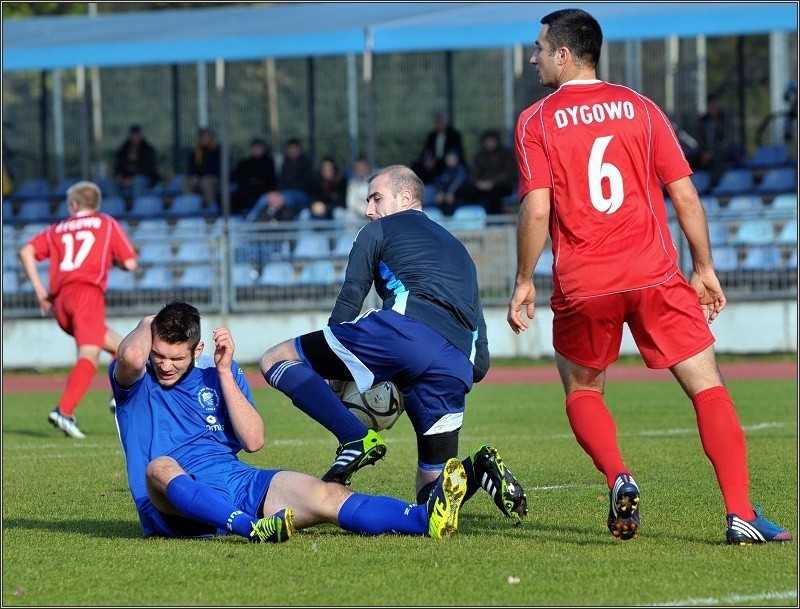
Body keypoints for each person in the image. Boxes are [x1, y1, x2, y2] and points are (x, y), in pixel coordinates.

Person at [508, 8, 792, 545]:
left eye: (540, 48)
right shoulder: (641, 108)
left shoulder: (536, 121)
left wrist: (524, 277)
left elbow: (537, 209)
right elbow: (685, 194)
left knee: (583, 389)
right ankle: (741, 514)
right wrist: (704, 268)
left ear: (564, 55)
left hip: (585, 281)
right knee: (708, 387)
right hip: (655, 275)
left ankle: (619, 474)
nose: (534, 57)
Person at [259, 164, 528, 524]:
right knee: (430, 494)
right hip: (456, 363)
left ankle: (353, 437)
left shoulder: (378, 230)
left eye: (375, 198)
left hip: (404, 334)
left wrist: (334, 371)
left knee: (276, 358)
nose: (369, 209)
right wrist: (460, 372)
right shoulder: (460, 251)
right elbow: (480, 351)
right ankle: (476, 469)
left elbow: (350, 297)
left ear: (404, 198)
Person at [110, 300, 468, 542]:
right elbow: (131, 354)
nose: (164, 365)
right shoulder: (135, 384)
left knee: (327, 494)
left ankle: (425, 519)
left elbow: (253, 441)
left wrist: (222, 371)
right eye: (158, 355)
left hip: (237, 485)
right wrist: (147, 322)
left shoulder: (220, 374)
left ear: (197, 351)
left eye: (175, 357)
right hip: (171, 504)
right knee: (160, 466)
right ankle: (251, 528)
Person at [18, 180, 138, 439]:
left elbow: (26, 251)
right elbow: (129, 263)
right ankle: (64, 410)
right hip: (87, 295)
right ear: (96, 204)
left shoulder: (57, 229)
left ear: (73, 204)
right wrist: (111, 262)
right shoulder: (105, 223)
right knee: (89, 356)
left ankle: (119, 394)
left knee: (125, 349)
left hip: (61, 301)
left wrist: (40, 291)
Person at [460, 130, 518, 215]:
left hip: (502, 185)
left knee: (494, 195)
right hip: (482, 185)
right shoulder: (480, 156)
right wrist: (478, 183)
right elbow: (474, 173)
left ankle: (496, 220)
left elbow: (508, 173)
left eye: (491, 140)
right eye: (487, 141)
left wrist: (492, 183)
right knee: (467, 192)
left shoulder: (506, 154)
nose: (489, 143)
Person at [696, 94, 740, 185]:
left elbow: (728, 141)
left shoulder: (727, 118)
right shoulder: (703, 120)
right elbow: (700, 139)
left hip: (724, 151)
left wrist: (712, 152)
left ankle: (714, 185)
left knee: (718, 158)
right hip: (706, 152)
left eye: (714, 104)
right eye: (710, 105)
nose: (713, 107)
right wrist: (704, 152)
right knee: (688, 158)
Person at [413, 112, 464, 184]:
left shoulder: (454, 135)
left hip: (445, 161)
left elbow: (456, 150)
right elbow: (427, 150)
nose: (439, 123)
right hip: (433, 162)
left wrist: (448, 157)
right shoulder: (432, 136)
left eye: (441, 121)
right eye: (437, 121)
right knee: (416, 167)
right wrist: (428, 160)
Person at [109, 124, 159, 199]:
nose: (135, 137)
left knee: (138, 181)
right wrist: (119, 176)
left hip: (144, 178)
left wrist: (131, 180)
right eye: (133, 135)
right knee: (111, 181)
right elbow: (118, 166)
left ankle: (137, 205)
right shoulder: (123, 150)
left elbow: (148, 169)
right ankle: (115, 205)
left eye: (137, 135)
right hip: (125, 179)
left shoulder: (148, 151)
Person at [230, 137, 276, 217]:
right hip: (244, 191)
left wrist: (257, 182)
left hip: (262, 191)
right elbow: (237, 176)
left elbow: (270, 180)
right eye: (254, 148)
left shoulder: (268, 163)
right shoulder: (245, 163)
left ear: (263, 149)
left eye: (258, 148)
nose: (256, 150)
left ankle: (252, 217)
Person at [182, 127, 221, 207]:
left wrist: (201, 177)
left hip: (215, 177)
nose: (204, 138)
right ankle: (192, 205)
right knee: (185, 182)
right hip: (199, 178)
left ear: (211, 137)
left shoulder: (218, 149)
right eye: (202, 136)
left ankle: (209, 207)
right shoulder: (197, 151)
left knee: (206, 182)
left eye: (206, 136)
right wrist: (193, 176)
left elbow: (217, 168)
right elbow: (191, 167)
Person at [432, 150, 470, 216]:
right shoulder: (444, 170)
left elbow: (459, 183)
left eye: (451, 158)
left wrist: (451, 192)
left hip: (459, 196)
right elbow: (440, 182)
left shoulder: (461, 170)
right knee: (439, 199)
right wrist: (440, 192)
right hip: (446, 195)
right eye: (448, 158)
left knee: (451, 199)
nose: (449, 160)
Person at [277, 138, 314, 202]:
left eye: (294, 148)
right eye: (290, 148)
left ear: (300, 149)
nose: (292, 150)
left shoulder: (306, 163)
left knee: (286, 198)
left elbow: (307, 182)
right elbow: (280, 181)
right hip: (285, 192)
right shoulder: (284, 164)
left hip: (302, 193)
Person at [344, 156, 373, 222]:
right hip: (357, 214)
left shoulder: (374, 182)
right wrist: (364, 212)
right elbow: (351, 203)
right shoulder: (352, 184)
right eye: (357, 167)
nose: (359, 169)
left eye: (361, 167)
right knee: (348, 215)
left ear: (367, 168)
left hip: (372, 213)